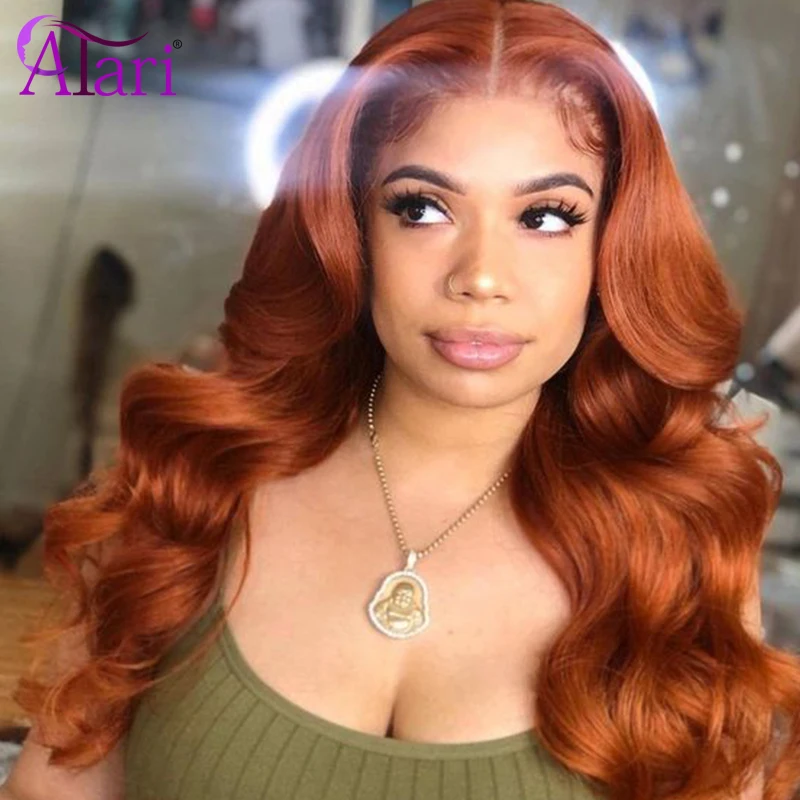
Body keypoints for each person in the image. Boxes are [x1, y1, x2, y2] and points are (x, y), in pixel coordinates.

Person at [4, 1, 800, 799]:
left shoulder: (679, 545)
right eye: (422, 208)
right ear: (351, 227)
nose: (480, 276)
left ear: (614, 248)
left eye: (546, 217)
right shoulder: (195, 484)